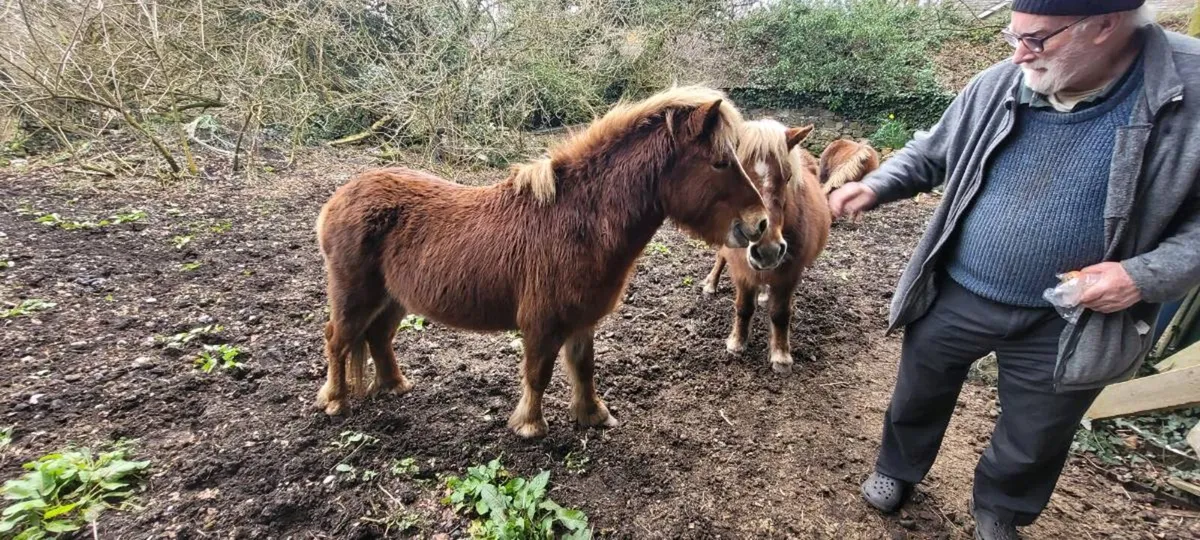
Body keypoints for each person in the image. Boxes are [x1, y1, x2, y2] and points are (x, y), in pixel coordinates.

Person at [827, 1, 1200, 538]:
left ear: (1104, 25)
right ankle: (897, 468)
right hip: (960, 288)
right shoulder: (1002, 81)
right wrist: (877, 185)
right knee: (917, 392)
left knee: (1037, 430)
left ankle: (1001, 508)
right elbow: (932, 152)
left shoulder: (1187, 91)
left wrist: (1144, 276)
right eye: (1014, 36)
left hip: (1074, 315)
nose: (1019, 54)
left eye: (1037, 39)